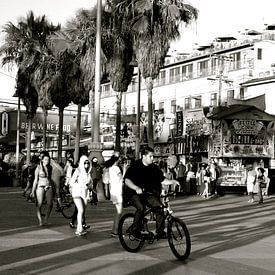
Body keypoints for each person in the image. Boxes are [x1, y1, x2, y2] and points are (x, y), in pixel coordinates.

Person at [124, 147, 179, 239]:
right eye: (151, 156)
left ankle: (160, 231)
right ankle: (135, 229)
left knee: (160, 208)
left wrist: (172, 181)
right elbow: (127, 180)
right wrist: (136, 187)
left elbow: (162, 179)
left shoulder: (154, 168)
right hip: (133, 193)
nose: (152, 158)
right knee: (141, 208)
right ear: (144, 156)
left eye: (153, 156)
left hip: (147, 193)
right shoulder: (135, 166)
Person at [69, 155, 93, 236]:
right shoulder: (78, 170)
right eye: (85, 162)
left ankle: (80, 227)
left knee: (82, 212)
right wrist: (75, 186)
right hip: (77, 192)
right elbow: (71, 182)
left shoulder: (88, 173)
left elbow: (90, 184)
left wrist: (90, 189)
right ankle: (79, 229)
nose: (86, 164)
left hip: (85, 193)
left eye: (88, 162)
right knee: (81, 210)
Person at [30, 152, 53, 226]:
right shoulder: (38, 168)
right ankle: (40, 221)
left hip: (48, 186)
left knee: (50, 204)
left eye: (48, 160)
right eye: (45, 160)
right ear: (42, 160)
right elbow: (35, 180)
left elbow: (50, 178)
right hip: (40, 186)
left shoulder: (50, 167)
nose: (47, 161)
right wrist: (33, 191)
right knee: (40, 204)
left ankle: (46, 219)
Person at [105, 152, 123, 237]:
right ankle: (115, 231)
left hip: (113, 191)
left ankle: (114, 229)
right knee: (119, 212)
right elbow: (122, 178)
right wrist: (125, 168)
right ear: (117, 159)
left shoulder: (111, 168)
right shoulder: (116, 168)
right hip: (118, 192)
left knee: (118, 212)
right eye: (120, 158)